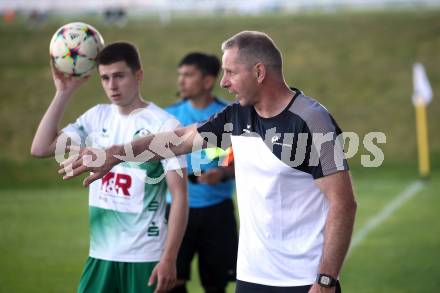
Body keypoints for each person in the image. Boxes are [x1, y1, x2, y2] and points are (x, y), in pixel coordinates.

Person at [60, 31, 357, 293]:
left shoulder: (312, 120)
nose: (224, 82)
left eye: (230, 72)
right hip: (252, 277)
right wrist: (113, 154)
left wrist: (326, 279)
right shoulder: (237, 115)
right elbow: (179, 139)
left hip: (303, 281)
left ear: (259, 72)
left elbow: (343, 203)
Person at [31, 42, 188, 293]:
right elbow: (41, 148)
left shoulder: (164, 124)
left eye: (119, 76)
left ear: (138, 75)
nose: (112, 86)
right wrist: (63, 92)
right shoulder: (97, 117)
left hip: (145, 258)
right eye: (105, 78)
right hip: (100, 254)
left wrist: (169, 258)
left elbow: (179, 195)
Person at [165, 52, 238, 293]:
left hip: (217, 210)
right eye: (179, 75)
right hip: (176, 209)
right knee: (171, 281)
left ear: (207, 82)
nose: (181, 81)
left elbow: (245, 160)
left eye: (188, 75)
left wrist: (224, 172)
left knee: (215, 285)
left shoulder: (230, 115)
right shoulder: (168, 117)